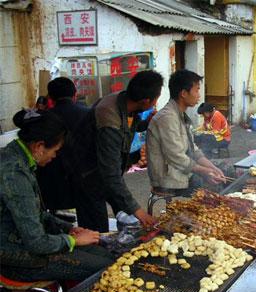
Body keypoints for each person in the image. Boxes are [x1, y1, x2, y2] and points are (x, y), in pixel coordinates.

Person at [0, 109, 113, 281]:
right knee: (107, 267)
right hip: (16, 258)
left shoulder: (17, 155)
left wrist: (69, 229)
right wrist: (72, 241)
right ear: (39, 146)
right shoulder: (15, 173)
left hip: (25, 242)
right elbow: (37, 243)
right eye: (55, 150)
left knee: (105, 254)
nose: (55, 156)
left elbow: (36, 215)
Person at [69, 71, 163, 232]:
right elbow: (110, 173)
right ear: (146, 101)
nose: (156, 103)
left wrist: (146, 122)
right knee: (96, 229)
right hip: (87, 174)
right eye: (156, 99)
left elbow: (130, 125)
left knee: (123, 209)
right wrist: (139, 212)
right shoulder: (108, 117)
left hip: (102, 171)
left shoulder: (127, 102)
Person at [146, 69, 226, 197]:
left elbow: (193, 150)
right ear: (183, 93)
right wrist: (205, 172)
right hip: (168, 180)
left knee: (223, 172)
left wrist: (212, 168)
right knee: (213, 191)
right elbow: (176, 157)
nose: (199, 95)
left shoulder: (180, 115)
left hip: (182, 172)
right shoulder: (167, 118)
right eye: (196, 90)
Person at [36, 77, 89, 211]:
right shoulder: (87, 113)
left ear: (51, 98)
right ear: (75, 94)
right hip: (84, 180)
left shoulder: (43, 118)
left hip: (51, 185)